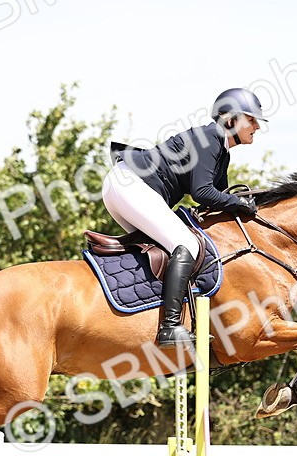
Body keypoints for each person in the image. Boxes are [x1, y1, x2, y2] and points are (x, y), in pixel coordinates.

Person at [103, 88, 266, 348]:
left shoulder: (221, 149)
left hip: (124, 187)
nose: (257, 126)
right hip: (131, 185)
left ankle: (141, 314)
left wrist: (248, 203)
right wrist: (239, 203)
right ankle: (169, 327)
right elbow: (203, 193)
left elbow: (220, 197)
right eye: (252, 119)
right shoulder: (211, 138)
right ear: (230, 119)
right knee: (187, 245)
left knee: (163, 249)